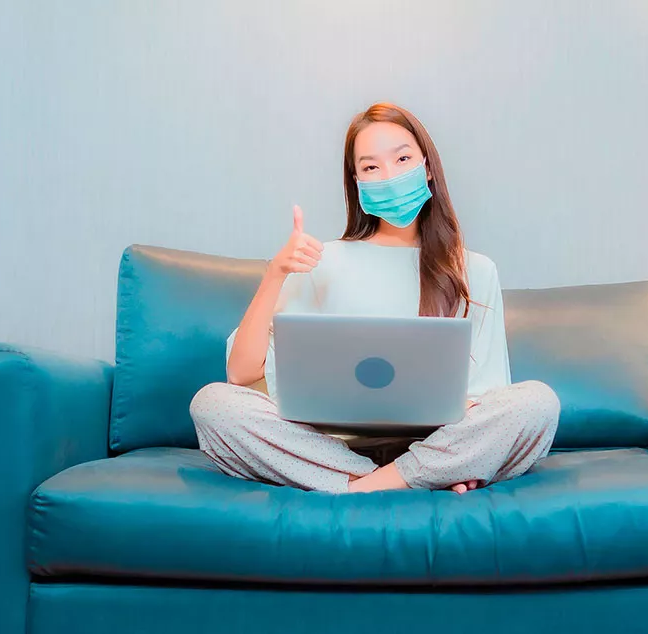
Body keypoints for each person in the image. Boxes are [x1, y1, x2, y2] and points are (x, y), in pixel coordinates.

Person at [190, 102, 560, 495]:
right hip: (329, 445)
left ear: (427, 167)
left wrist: (463, 436)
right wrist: (275, 274)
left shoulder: (475, 270)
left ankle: (363, 485)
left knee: (537, 403)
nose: (390, 176)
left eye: (402, 159)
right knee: (212, 404)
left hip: (436, 441)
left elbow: (486, 399)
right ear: (357, 181)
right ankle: (399, 479)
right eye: (371, 167)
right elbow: (240, 375)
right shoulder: (322, 260)